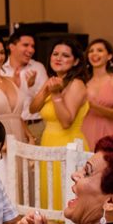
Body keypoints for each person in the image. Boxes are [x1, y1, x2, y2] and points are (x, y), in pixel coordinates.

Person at [30, 38, 88, 210]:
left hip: (69, 145)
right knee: (49, 193)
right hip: (48, 143)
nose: (58, 58)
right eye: (55, 54)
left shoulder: (76, 84)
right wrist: (46, 89)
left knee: (64, 193)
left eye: (65, 55)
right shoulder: (52, 81)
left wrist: (55, 95)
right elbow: (33, 108)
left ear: (76, 61)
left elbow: (66, 121)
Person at [1, 30, 48, 142]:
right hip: (9, 128)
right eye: (26, 45)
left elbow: (44, 101)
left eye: (33, 46)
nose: (31, 50)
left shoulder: (38, 68)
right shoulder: (0, 70)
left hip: (35, 126)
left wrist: (30, 87)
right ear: (12, 46)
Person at [82, 39, 113, 151]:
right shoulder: (83, 82)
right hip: (86, 132)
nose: (94, 54)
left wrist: (94, 106)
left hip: (109, 134)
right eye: (91, 51)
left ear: (109, 56)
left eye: (100, 50)